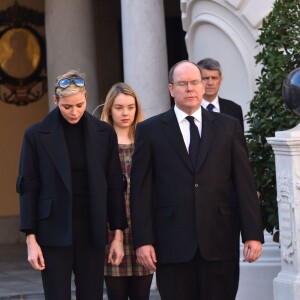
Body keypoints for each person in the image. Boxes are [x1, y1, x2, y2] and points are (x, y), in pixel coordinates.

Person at [130, 60, 264, 300]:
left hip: (220, 240)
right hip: (171, 244)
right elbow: (141, 192)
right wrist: (143, 240)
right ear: (171, 89)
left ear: (203, 86)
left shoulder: (228, 126)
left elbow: (244, 182)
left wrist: (253, 233)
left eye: (194, 82)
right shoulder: (149, 130)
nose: (190, 88)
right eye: (183, 84)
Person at [16, 70, 127, 300]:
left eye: (79, 104)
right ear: (56, 101)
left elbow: (115, 184)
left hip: (92, 229)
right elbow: (29, 187)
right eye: (67, 106)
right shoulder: (35, 135)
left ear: (86, 97)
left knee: (92, 295)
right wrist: (31, 239)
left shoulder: (104, 132)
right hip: (52, 231)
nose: (74, 111)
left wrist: (118, 235)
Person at [101, 82, 154, 300]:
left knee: (142, 294)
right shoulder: (101, 142)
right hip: (111, 228)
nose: (125, 113)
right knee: (116, 294)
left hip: (142, 227)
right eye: (119, 107)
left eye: (130, 107)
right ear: (110, 110)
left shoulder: (146, 140)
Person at [197, 57, 244, 131]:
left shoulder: (234, 109)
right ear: (197, 81)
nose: (210, 83)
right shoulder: (190, 109)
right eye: (205, 78)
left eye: (214, 78)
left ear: (221, 80)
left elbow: (239, 141)